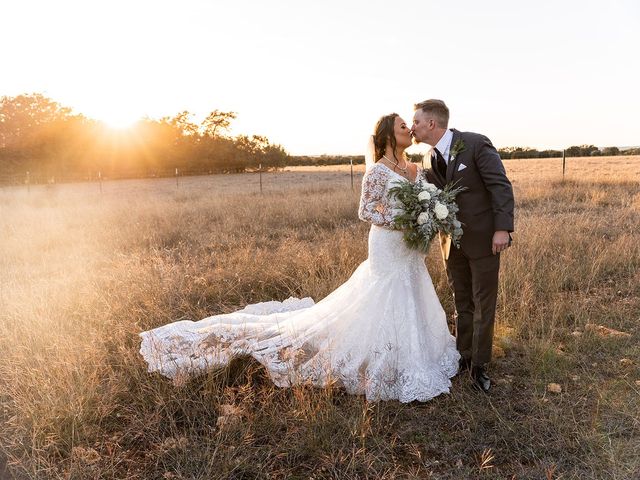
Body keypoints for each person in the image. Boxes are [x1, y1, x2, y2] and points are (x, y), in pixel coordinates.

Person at [139, 113, 460, 403]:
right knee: (385, 297)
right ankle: (383, 361)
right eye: (404, 125)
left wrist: (425, 218)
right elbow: (365, 210)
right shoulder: (377, 171)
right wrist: (401, 221)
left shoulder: (416, 168)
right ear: (389, 136)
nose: (409, 129)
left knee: (411, 294)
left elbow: (423, 203)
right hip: (387, 245)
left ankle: (411, 357)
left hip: (409, 249)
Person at [411, 99, 515, 392]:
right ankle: (464, 357)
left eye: (416, 121)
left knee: (484, 302)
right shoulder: (427, 159)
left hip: (484, 238)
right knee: (461, 300)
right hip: (451, 243)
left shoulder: (475, 143)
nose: (413, 127)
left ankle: (480, 366)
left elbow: (500, 185)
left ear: (431, 123)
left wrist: (502, 228)